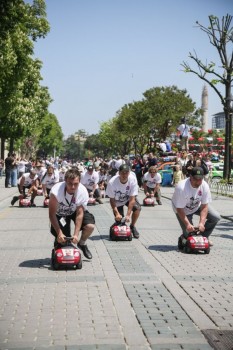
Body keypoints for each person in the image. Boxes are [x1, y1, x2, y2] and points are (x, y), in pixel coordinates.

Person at [49, 167, 95, 260]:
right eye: (70, 183)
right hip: (60, 214)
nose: (73, 187)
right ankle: (58, 243)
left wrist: (76, 235)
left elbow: (80, 214)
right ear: (65, 181)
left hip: (75, 211)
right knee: (64, 239)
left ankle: (82, 244)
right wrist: (59, 233)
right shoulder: (56, 191)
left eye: (76, 184)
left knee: (90, 226)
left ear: (79, 182)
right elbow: (52, 214)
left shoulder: (82, 191)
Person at [172, 167, 221, 246]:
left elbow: (204, 206)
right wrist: (188, 224)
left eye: (200, 179)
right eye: (195, 179)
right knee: (189, 234)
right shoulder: (181, 188)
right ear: (190, 177)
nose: (198, 182)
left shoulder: (204, 186)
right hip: (182, 209)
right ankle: (183, 237)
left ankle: (204, 237)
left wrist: (201, 223)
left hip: (196, 206)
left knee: (216, 217)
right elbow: (179, 209)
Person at [105, 164, 141, 238]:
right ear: (119, 173)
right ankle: (114, 227)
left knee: (137, 208)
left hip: (128, 199)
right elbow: (112, 200)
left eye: (126, 172)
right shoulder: (112, 182)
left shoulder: (133, 180)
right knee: (120, 220)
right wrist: (117, 213)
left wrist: (128, 215)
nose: (124, 175)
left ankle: (132, 226)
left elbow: (132, 199)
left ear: (129, 173)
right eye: (122, 173)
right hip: (117, 201)